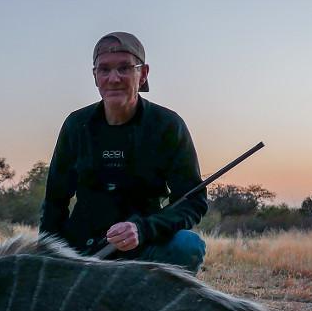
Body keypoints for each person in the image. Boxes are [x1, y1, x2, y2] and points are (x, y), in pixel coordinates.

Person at [39, 32, 208, 273]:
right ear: (95, 76)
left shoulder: (168, 125)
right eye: (104, 69)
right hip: (83, 251)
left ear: (143, 74)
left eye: (125, 68)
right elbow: (55, 201)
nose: (114, 78)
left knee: (187, 246)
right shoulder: (76, 124)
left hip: (143, 249)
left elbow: (193, 201)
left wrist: (143, 229)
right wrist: (49, 257)